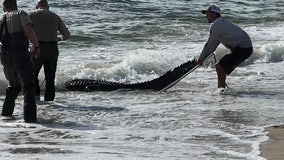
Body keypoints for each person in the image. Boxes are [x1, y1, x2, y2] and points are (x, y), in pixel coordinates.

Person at [0, 0, 40, 122]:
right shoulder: (20, 13)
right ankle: (30, 120)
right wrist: (36, 46)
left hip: (5, 56)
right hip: (20, 53)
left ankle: (6, 116)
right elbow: (28, 31)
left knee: (13, 86)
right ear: (15, 6)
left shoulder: (1, 19)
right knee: (28, 86)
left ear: (4, 8)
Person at [197, 5, 253, 88]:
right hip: (245, 48)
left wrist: (201, 59)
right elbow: (213, 46)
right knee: (220, 66)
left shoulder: (216, 26)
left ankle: (221, 90)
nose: (206, 16)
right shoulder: (219, 24)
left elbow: (208, 45)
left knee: (220, 66)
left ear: (214, 14)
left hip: (243, 48)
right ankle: (221, 88)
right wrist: (202, 58)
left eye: (208, 13)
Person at [29, 0, 70, 101]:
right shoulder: (55, 16)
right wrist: (59, 38)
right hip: (52, 48)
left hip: (37, 48)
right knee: (50, 78)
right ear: (48, 7)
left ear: (36, 7)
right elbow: (67, 35)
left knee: (33, 75)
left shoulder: (30, 15)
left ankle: (36, 98)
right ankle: (50, 102)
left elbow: (24, 31)